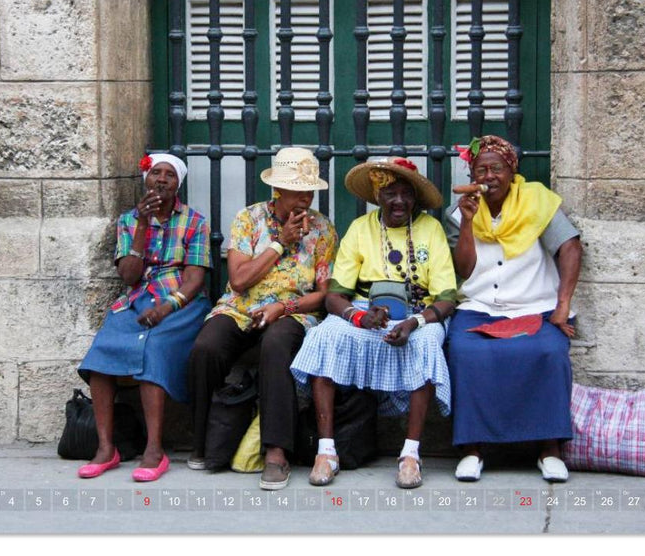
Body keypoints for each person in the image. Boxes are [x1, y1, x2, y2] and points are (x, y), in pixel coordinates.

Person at [290, 157, 457, 489]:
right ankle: (326, 451)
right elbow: (336, 295)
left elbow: (446, 299)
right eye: (390, 194)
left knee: (425, 345)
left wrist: (412, 323)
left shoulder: (430, 228)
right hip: (366, 310)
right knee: (326, 336)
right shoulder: (360, 228)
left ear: (416, 198)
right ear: (377, 197)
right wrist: (360, 316)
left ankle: (410, 455)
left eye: (406, 194)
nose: (398, 202)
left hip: (418, 313)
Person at [187, 147, 338, 490]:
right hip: (241, 306)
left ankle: (276, 452)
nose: (304, 198)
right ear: (278, 190)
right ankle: (202, 443)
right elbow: (238, 280)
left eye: (308, 190)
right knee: (206, 347)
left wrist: (284, 309)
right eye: (296, 190)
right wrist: (280, 243)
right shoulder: (249, 219)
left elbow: (325, 294)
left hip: (293, 311)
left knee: (276, 346)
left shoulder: (322, 230)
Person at [445, 135, 583, 483]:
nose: (489, 177)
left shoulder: (537, 202)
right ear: (472, 174)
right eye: (481, 170)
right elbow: (464, 270)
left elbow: (570, 247)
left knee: (549, 351)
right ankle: (472, 450)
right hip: (478, 307)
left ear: (512, 170)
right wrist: (466, 223)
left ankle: (549, 448)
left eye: (497, 169)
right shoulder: (460, 209)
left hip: (533, 306)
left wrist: (562, 305)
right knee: (464, 351)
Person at [76, 153, 211, 482]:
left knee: (153, 350)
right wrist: (141, 225)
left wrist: (166, 308)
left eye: (169, 175)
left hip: (181, 303)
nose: (162, 180)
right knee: (101, 353)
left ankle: (154, 449)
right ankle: (107, 448)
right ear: (146, 180)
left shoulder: (194, 222)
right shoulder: (128, 221)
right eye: (156, 174)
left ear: (178, 184)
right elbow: (129, 276)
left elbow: (194, 281)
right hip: (137, 300)